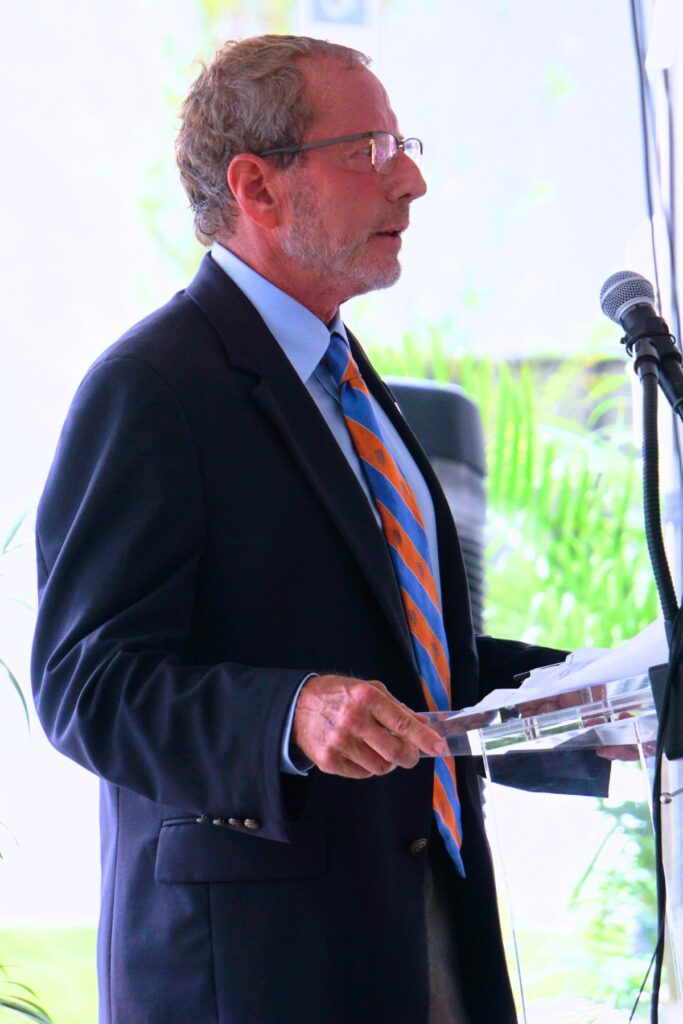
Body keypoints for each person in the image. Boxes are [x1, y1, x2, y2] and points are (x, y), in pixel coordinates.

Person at [31, 35, 608, 1024]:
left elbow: (407, 662)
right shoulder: (153, 388)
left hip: (425, 926)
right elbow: (84, 684)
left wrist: (585, 714)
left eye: (403, 144)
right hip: (257, 974)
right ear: (256, 187)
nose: (413, 180)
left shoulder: (350, 382)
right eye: (371, 149)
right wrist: (286, 714)